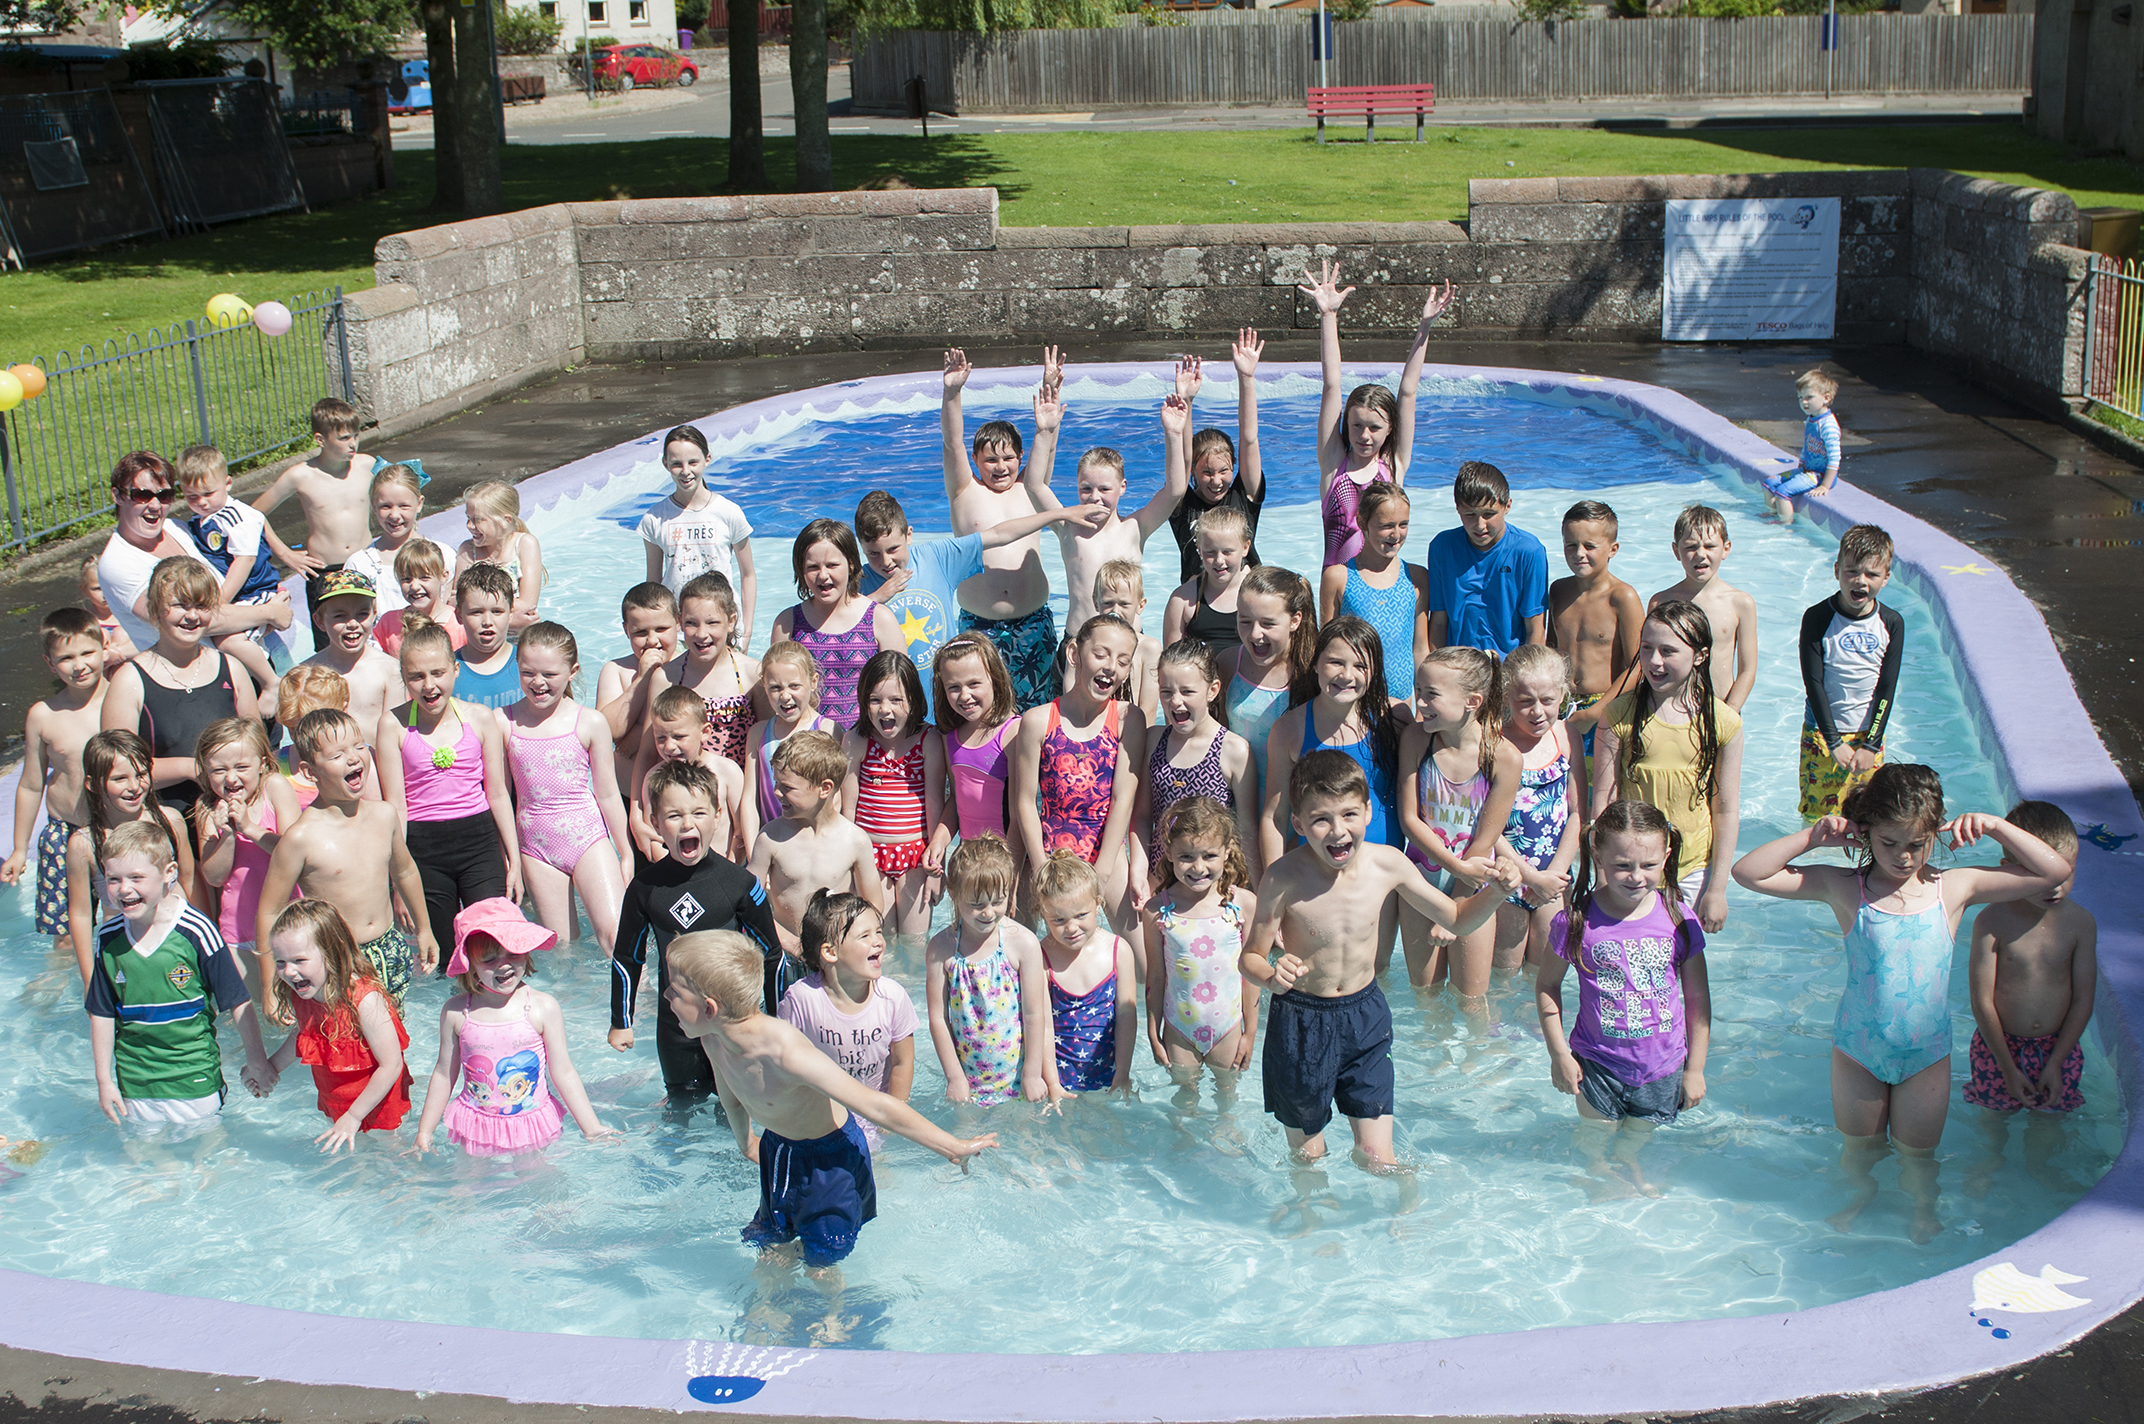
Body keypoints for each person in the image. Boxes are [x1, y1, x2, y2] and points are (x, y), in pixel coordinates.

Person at [1732, 764, 2068, 1242]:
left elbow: (2053, 870)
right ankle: (1860, 1196)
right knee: (1860, 1149)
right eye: (1889, 844)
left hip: (1924, 1058)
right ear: (1867, 831)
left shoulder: (1954, 887)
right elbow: (1747, 873)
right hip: (1858, 1053)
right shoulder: (1846, 887)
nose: (1904, 857)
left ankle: (1921, 1208)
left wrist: (1995, 826)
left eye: (1917, 844)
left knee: (1918, 1157)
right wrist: (1813, 837)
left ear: (1936, 833)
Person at [1242, 751, 1517, 1167]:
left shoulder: (1387, 864)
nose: (1338, 830)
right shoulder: (1283, 877)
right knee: (1308, 1156)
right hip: (1300, 1020)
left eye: (1349, 814)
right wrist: (1270, 974)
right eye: (1320, 819)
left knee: (1375, 1157)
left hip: (1364, 1016)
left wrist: (1495, 893)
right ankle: (1313, 1225)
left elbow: (1458, 920)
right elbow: (1251, 958)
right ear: (1298, 824)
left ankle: (1403, 1218)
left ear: (1368, 811)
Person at [664, 929, 998, 1268]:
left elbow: (874, 1104)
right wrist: (747, 1143)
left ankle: (832, 1315)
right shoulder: (714, 1039)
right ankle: (769, 1304)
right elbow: (732, 1097)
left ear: (709, 1007)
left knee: (822, 1259)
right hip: (780, 1148)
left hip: (832, 1157)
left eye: (674, 991)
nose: (665, 996)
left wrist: (951, 1146)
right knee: (770, 1241)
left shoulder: (785, 1054)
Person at [1535, 800, 1711, 1199]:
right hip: (1596, 1063)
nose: (1635, 877)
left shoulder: (1679, 918)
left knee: (1638, 1134)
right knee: (1594, 1135)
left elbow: (1698, 997)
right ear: (1596, 853)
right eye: (1621, 866)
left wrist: (1695, 1068)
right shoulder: (1577, 921)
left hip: (1663, 1064)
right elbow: (1547, 986)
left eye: (1648, 866)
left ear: (1666, 856)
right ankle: (1598, 1172)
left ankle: (1628, 1163)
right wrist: (1559, 1054)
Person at [611, 760, 789, 1105]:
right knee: (681, 1105)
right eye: (674, 815)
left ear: (718, 815)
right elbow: (626, 958)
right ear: (654, 822)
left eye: (698, 813)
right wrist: (621, 1020)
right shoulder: (646, 888)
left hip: (734, 1025)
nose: (687, 824)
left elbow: (772, 955)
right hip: (677, 1028)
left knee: (737, 1106)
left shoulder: (739, 884)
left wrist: (779, 1018)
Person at [86, 820, 271, 1134]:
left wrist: (257, 1061)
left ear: (168, 873)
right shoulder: (108, 939)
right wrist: (104, 1081)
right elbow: (101, 1013)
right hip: (136, 1079)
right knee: (146, 1162)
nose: (124, 889)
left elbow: (236, 1001)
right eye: (113, 879)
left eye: (136, 877)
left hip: (194, 1076)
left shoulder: (196, 931)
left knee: (206, 1155)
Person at [855, 488, 1100, 720]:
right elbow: (833, 623)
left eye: (893, 549)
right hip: (894, 705)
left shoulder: (936, 558)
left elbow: (998, 534)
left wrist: (1060, 514)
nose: (885, 561)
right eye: (873, 554)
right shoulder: (860, 583)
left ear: (909, 535)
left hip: (945, 700)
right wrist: (876, 598)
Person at [254, 708, 439, 1009]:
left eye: (358, 746)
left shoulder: (384, 815)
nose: (354, 757)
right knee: (343, 1050)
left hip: (388, 949)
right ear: (309, 771)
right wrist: (269, 987)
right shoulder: (300, 838)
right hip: (336, 960)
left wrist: (424, 929)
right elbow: (269, 912)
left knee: (394, 1043)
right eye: (337, 754)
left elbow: (404, 872)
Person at [414, 898, 617, 1156]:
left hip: (529, 1122)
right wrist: (425, 1131)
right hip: (477, 1123)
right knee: (471, 1189)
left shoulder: (542, 1007)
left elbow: (563, 1072)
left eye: (514, 952)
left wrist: (591, 1127)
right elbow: (444, 1074)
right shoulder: (457, 1012)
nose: (504, 964)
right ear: (470, 965)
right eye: (489, 959)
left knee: (537, 1185)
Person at [1592, 601, 1744, 934]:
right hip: (1628, 869)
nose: (1654, 661)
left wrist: (1718, 888)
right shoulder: (1619, 715)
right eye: (1647, 649)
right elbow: (1603, 801)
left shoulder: (1723, 722)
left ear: (1700, 656)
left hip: (1691, 871)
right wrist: (1602, 876)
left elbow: (1726, 809)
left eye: (1668, 651)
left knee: (1679, 970)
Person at [376, 618, 519, 963]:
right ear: (404, 679)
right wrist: (397, 881)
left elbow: (497, 794)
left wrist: (514, 861)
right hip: (423, 851)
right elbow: (396, 807)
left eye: (437, 673)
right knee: (441, 958)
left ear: (455, 670)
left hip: (479, 842)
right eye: (416, 677)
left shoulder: (481, 719)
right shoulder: (392, 726)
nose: (428, 685)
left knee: (491, 944)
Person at [1302, 261, 1453, 567]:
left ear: (1389, 430)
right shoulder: (1333, 464)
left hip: (1385, 587)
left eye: (1374, 427)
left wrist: (1425, 326)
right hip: (1340, 590)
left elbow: (1408, 392)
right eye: (1356, 425)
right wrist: (1328, 316)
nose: (1364, 435)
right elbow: (1332, 385)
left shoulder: (1393, 466)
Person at [941, 348, 1062, 713]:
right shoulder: (965, 491)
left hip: (1033, 626)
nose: (1000, 466)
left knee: (1040, 715)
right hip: (980, 630)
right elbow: (951, 442)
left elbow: (1048, 438)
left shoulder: (1032, 489)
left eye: (1009, 457)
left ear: (1020, 458)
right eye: (990, 459)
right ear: (976, 461)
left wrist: (1050, 390)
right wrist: (952, 393)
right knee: (981, 716)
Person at [503, 622, 634, 956]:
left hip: (587, 838)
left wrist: (626, 850)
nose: (538, 683)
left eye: (549, 674)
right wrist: (511, 858)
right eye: (528, 672)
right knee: (560, 950)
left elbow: (606, 793)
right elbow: (500, 796)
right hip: (535, 846)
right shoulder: (503, 722)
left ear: (573, 671)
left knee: (617, 938)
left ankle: (638, 1003)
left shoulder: (589, 722)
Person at [1013, 614, 1147, 936]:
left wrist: (1101, 871)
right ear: (1074, 654)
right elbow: (1025, 801)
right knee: (1032, 953)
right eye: (1100, 654)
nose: (1111, 666)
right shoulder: (1037, 721)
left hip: (1106, 852)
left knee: (1143, 962)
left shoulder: (1129, 719)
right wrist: (1041, 866)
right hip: (1049, 853)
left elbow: (1122, 798)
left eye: (1123, 660)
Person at [1396, 647, 1519, 993]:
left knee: (1472, 999)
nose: (1419, 703)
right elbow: (1410, 819)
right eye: (1419, 691)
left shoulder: (1504, 757)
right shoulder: (1417, 740)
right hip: (1420, 882)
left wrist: (1459, 902)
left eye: (1431, 694)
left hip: (1475, 885)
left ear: (1473, 701)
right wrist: (1456, 868)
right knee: (1426, 995)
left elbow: (1485, 839)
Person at [1965, 801, 2097, 1123]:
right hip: (1997, 1050)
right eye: (2040, 873)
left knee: (2048, 1136)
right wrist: (2007, 1068)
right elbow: (1982, 1001)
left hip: (2058, 1048)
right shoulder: (1990, 922)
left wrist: (2056, 1061)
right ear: (2008, 867)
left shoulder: (2080, 924)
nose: (2055, 885)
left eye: (2067, 871)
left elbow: (2083, 999)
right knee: (1992, 1133)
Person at [100, 557, 259, 826]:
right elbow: (118, 769)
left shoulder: (231, 668)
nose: (193, 616)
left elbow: (255, 750)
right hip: (166, 823)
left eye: (201, 606)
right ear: (155, 610)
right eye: (180, 606)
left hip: (231, 818)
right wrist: (191, 768)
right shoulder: (129, 680)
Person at [1023, 384, 1189, 637]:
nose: (1095, 497)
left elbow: (1175, 490)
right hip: (1079, 642)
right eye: (1086, 488)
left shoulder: (1135, 528)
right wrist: (1044, 431)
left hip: (1127, 643)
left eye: (1104, 489)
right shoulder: (1068, 526)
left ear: (1122, 487)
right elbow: (1034, 485)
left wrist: (1174, 434)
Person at [256, 899, 413, 1149]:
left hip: (381, 1106)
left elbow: (391, 1065)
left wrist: (354, 1116)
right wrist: (270, 1068)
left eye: (299, 960)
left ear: (331, 953)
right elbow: (302, 1036)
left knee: (390, 1160)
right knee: (356, 1164)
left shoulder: (364, 1000)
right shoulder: (303, 994)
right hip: (339, 1103)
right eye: (280, 962)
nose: (288, 972)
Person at [2, 608, 107, 961]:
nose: (79, 665)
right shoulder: (44, 715)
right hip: (65, 831)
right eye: (66, 658)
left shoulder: (124, 697)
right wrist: (19, 849)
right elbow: (32, 785)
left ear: (103, 647)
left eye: (87, 653)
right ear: (50, 663)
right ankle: (61, 994)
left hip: (118, 829)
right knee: (64, 936)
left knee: (121, 918)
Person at [924, 834, 1058, 1107]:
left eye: (998, 901)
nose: (988, 912)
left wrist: (1033, 1074)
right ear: (954, 894)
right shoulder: (941, 949)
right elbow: (939, 1018)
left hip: (1017, 1078)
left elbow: (1035, 1014)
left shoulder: (1023, 944)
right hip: (967, 1080)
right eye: (976, 905)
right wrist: (954, 1078)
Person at [1261, 616, 1402, 872]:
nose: (1347, 675)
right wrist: (1272, 883)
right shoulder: (1290, 730)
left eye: (1361, 666)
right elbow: (1276, 816)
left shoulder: (1394, 718)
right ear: (1315, 664)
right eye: (1336, 662)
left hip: (1386, 872)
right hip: (1319, 872)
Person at [779, 889, 917, 1148]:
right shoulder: (802, 1000)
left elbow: (902, 1062)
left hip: (874, 1115)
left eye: (878, 931)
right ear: (830, 952)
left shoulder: (892, 998)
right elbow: (783, 1064)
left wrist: (891, 1122)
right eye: (865, 936)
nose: (878, 941)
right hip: (820, 1120)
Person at [1142, 796, 1259, 1094]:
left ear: (1227, 851)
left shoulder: (1241, 904)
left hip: (1228, 1026)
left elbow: (1251, 974)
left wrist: (1251, 1032)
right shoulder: (1157, 910)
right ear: (1168, 851)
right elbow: (1155, 977)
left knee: (1227, 1097)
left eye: (1209, 856)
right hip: (1180, 1028)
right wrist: (1153, 1032)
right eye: (1186, 857)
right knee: (1184, 1101)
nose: (1198, 867)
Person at [64, 731, 195, 986]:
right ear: (92, 784)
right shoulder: (84, 844)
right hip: (123, 950)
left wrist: (201, 946)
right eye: (120, 778)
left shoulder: (170, 821)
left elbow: (189, 883)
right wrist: (90, 979)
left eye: (142, 774)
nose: (134, 786)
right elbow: (80, 913)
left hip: (175, 941)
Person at [249, 399, 376, 652]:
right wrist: (284, 553)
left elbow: (401, 493)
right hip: (324, 570)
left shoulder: (367, 465)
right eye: (343, 438)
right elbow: (250, 515)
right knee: (329, 646)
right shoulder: (301, 475)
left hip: (365, 564)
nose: (353, 443)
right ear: (320, 440)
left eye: (355, 435)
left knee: (371, 637)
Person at [1798, 524, 1904, 823]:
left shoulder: (1891, 623)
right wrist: (1832, 742)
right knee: (1817, 818)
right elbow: (1814, 683)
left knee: (1869, 817)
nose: (1860, 581)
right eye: (1852, 571)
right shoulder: (1818, 617)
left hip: (1868, 737)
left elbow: (1887, 688)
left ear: (1886, 577)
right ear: (1836, 571)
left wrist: (1871, 744)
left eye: (1871, 574)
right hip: (1822, 734)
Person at [1131, 639, 1258, 886]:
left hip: (1214, 880)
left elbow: (1247, 830)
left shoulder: (1233, 750)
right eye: (1166, 692)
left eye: (1187, 691)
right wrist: (1139, 872)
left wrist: (1254, 887)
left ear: (1213, 690)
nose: (1175, 701)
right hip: (1162, 878)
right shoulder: (1154, 740)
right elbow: (1143, 815)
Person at [191, 717, 302, 1001]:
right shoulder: (206, 807)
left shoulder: (274, 787)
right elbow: (214, 877)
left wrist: (250, 828)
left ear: (263, 764)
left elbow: (294, 853)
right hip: (238, 931)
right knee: (251, 1013)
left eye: (241, 767)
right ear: (205, 771)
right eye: (218, 770)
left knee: (297, 1008)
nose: (230, 778)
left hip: (288, 922)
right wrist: (227, 834)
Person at [750, 729, 888, 955]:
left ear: (825, 788)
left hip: (834, 951)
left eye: (787, 787)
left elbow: (873, 906)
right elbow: (750, 901)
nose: (776, 792)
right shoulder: (770, 837)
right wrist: (788, 942)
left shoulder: (854, 840)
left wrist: (850, 942)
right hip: (784, 949)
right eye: (776, 783)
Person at [841, 651, 944, 939]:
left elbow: (935, 802)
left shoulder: (929, 739)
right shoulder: (857, 740)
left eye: (896, 700)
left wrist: (937, 868)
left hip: (916, 857)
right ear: (863, 702)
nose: (885, 709)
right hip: (870, 856)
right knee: (881, 941)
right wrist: (847, 865)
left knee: (914, 942)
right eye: (875, 700)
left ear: (913, 699)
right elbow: (848, 810)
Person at [1497, 644, 1588, 968]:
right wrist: (1529, 877)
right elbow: (1486, 824)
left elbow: (1578, 812)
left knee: (1542, 976)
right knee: (1502, 979)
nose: (1538, 711)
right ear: (1507, 696)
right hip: (1505, 877)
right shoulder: (1494, 741)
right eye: (1525, 702)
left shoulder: (1567, 736)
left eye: (1548, 701)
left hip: (1554, 876)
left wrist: (1552, 874)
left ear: (1563, 694)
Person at [177, 443, 287, 706]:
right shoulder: (202, 519)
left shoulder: (237, 517)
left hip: (256, 591)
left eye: (208, 493)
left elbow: (244, 561)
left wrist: (220, 600)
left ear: (228, 483)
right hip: (237, 595)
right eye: (191, 497)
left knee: (228, 640)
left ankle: (271, 682)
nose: (201, 502)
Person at [771, 521, 904, 733]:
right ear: (801, 571)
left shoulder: (879, 619)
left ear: (851, 563)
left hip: (865, 743)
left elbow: (899, 690)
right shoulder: (788, 624)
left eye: (832, 565)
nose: (823, 575)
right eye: (812, 567)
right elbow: (776, 692)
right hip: (808, 747)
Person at [1165, 332, 1267, 585]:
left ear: (1234, 466)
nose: (1216, 481)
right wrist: (1186, 402)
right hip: (1199, 602)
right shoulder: (1183, 504)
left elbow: (1249, 439)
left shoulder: (1243, 497)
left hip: (1246, 596)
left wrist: (1246, 377)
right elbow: (1184, 457)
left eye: (1223, 470)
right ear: (1193, 473)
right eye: (1207, 473)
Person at [1033, 851, 1137, 1094]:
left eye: (1081, 915)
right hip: (1059, 1078)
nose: (1071, 928)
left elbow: (1126, 1016)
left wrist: (1122, 1074)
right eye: (1058, 920)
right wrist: (1052, 1084)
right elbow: (1043, 1025)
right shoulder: (1041, 958)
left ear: (1098, 904)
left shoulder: (1118, 951)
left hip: (1109, 1075)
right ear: (1043, 914)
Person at [1547, 500, 1644, 756]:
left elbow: (1638, 666)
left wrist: (1595, 712)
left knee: (1599, 790)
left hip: (1604, 707)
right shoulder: (1558, 591)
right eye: (1571, 545)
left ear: (1613, 549)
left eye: (1590, 546)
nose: (1579, 553)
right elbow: (1550, 649)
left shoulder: (1623, 597)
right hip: (1560, 705)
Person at [1321, 482, 1428, 713]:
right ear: (1362, 523)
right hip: (1352, 703)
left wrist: (1422, 707)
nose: (1396, 534)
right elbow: (1325, 650)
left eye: (1403, 525)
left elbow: (1419, 648)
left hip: (1402, 706)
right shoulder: (1339, 577)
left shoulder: (1417, 578)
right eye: (1386, 526)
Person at [1426, 461, 1549, 656]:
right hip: (1457, 666)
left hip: (1509, 667)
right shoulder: (1442, 547)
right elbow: (1439, 620)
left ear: (1507, 505)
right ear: (1457, 508)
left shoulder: (1529, 552)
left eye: (1489, 514)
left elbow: (1535, 628)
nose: (1480, 525)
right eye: (1470, 514)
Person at [641, 424, 756, 631]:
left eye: (693, 462)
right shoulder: (654, 518)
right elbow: (654, 584)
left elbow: (748, 574)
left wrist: (746, 631)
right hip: (677, 628)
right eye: (677, 464)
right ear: (665, 464)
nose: (686, 471)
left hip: (721, 626)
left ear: (707, 459)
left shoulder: (729, 512)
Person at [927, 634, 1020, 877]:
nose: (965, 695)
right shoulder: (950, 738)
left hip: (1007, 860)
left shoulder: (1013, 733)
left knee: (1011, 916)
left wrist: (1014, 869)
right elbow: (957, 800)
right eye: (954, 687)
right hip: (968, 860)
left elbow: (1021, 811)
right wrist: (939, 841)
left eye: (974, 684)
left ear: (995, 681)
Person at [1648, 506, 1757, 712]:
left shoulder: (1740, 603)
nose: (1700, 554)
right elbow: (1651, 661)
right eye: (1690, 547)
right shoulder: (1661, 602)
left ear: (1726, 549)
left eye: (1709, 546)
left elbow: (1748, 670)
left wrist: (1731, 712)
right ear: (1675, 551)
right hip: (1670, 709)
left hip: (1721, 708)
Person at [650, 572, 762, 771]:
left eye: (712, 623)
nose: (701, 634)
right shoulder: (666, 677)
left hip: (738, 793)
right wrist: (636, 802)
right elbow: (648, 751)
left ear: (731, 621)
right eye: (691, 623)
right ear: (679, 621)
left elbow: (767, 743)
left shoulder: (752, 674)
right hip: (684, 795)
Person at [1225, 565, 1313, 810]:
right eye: (1245, 621)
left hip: (1295, 810)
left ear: (1295, 620)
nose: (1255, 634)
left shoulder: (1312, 671)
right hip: (1240, 808)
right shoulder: (1229, 663)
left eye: (1268, 623)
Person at [629, 685, 748, 865]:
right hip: (675, 875)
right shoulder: (653, 778)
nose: (669, 746)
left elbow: (741, 832)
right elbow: (654, 836)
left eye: (679, 736)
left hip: (723, 870)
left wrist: (731, 871)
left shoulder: (727, 772)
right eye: (661, 738)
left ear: (705, 732)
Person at [742, 640, 837, 853]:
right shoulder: (759, 734)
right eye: (775, 688)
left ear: (813, 682)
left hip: (816, 849)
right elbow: (750, 799)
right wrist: (753, 852)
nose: (785, 696)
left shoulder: (828, 730)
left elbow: (835, 800)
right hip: (771, 847)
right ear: (764, 687)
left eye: (794, 686)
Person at [596, 582, 681, 797]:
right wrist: (642, 679)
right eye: (641, 632)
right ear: (626, 630)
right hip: (627, 794)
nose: (652, 640)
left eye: (661, 629)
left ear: (678, 623)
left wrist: (638, 735)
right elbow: (605, 731)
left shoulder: (687, 666)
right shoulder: (616, 670)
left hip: (682, 796)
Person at [300, 570, 400, 737]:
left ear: (374, 615)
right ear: (319, 621)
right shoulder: (305, 674)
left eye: (362, 614)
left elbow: (397, 735)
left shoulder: (391, 670)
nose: (353, 623)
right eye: (340, 615)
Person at [1164, 505, 1255, 665]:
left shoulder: (1259, 594)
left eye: (1227, 552)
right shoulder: (1183, 600)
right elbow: (1171, 664)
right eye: (1210, 552)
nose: (1219, 561)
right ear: (1199, 549)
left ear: (1245, 548)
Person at [453, 480, 545, 633]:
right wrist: (510, 620)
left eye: (478, 519)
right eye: (468, 518)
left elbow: (528, 605)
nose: (469, 525)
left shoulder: (524, 544)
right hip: (479, 637)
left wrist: (478, 607)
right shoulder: (467, 550)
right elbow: (457, 603)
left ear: (505, 521)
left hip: (517, 638)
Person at [343, 462, 424, 618]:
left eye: (403, 506)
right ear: (373, 506)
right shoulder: (360, 564)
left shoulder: (442, 555)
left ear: (419, 503)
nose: (394, 515)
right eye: (386, 506)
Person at [1764, 368, 1843, 524]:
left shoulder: (1828, 426)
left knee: (1782, 492)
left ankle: (1786, 524)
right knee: (1769, 483)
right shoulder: (1811, 419)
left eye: (1809, 397)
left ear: (1826, 398)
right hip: (1807, 470)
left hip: (1819, 475)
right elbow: (1807, 445)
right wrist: (1801, 464)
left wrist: (1825, 486)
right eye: (1800, 397)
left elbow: (1835, 458)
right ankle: (1773, 512)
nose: (1804, 402)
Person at [1090, 560, 1164, 721]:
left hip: (1133, 734)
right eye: (1108, 603)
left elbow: (1148, 713)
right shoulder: (1083, 645)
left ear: (1140, 605)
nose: (1115, 611)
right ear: (1096, 602)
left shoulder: (1149, 649)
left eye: (1124, 604)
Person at [372, 538, 463, 659]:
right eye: (406, 579)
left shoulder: (460, 623)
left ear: (443, 576)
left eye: (424, 577)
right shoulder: (389, 623)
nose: (414, 586)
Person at [451, 564, 522, 711]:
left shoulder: (528, 665)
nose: (487, 622)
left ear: (511, 613)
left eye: (497, 611)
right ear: (459, 615)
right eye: (476, 612)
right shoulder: (447, 670)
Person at [80, 555, 138, 673]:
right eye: (97, 588)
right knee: (102, 634)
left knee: (121, 633)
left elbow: (151, 640)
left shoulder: (133, 613)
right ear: (84, 590)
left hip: (130, 668)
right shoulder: (83, 620)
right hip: (100, 672)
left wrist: (117, 653)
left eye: (110, 587)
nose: (105, 594)